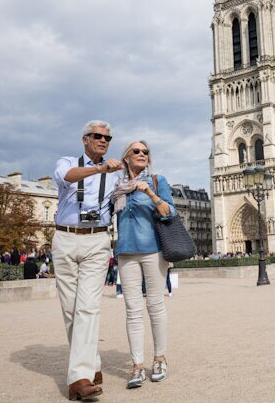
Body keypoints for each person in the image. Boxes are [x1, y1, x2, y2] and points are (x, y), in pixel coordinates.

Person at [52, 120, 123, 400]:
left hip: (96, 239)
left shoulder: (115, 174)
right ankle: (92, 365)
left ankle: (79, 379)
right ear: (85, 139)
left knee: (88, 307)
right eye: (98, 136)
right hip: (65, 237)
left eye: (108, 137)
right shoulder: (68, 161)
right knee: (70, 310)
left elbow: (125, 193)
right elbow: (67, 177)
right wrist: (100, 169)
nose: (104, 140)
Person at [112, 139, 177, 389]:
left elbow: (170, 212)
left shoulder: (157, 181)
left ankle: (159, 358)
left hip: (153, 250)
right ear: (126, 158)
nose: (141, 154)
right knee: (132, 310)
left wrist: (148, 193)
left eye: (145, 152)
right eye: (136, 151)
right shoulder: (116, 186)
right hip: (126, 251)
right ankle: (137, 365)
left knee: (155, 305)